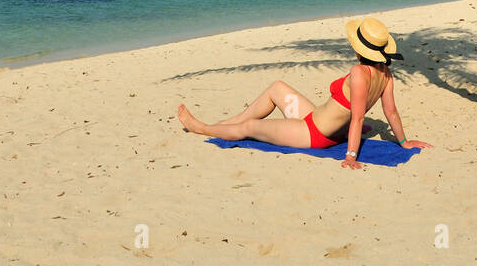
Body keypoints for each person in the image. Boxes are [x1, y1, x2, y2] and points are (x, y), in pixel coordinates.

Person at [177, 17, 432, 170]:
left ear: (358, 51)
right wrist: (403, 141)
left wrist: (351, 155)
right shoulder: (385, 74)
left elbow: (356, 118)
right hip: (315, 118)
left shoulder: (358, 73)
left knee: (251, 127)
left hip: (314, 134)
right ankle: (224, 124)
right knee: (277, 87)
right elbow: (392, 112)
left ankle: (202, 128)